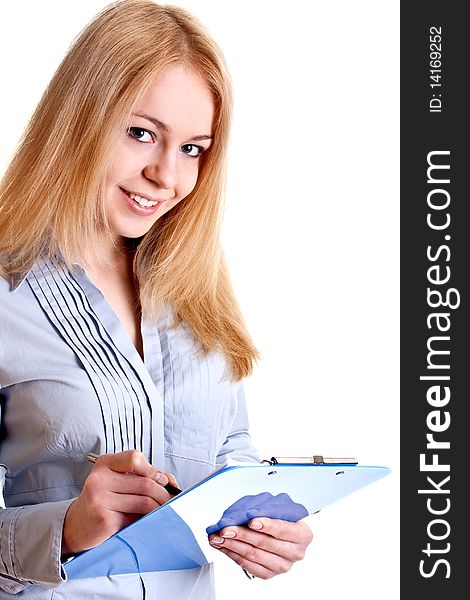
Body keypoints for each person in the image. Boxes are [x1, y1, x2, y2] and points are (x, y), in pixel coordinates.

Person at [0, 1, 313, 597]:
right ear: (79, 119)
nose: (166, 176)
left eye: (193, 148)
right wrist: (65, 529)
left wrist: (266, 526)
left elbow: (227, 446)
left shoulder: (192, 282)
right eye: (141, 134)